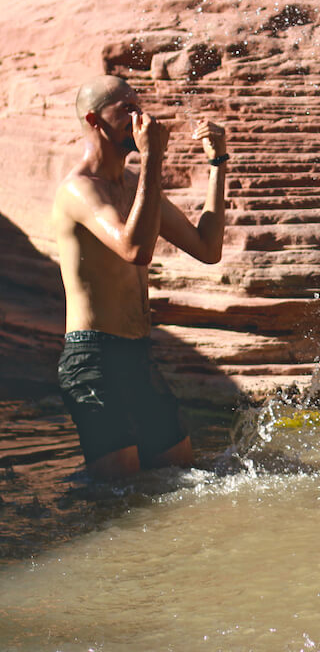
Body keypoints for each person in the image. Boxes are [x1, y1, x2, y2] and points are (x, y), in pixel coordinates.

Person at [53, 75, 229, 480]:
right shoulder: (79, 191)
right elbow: (135, 250)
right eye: (127, 109)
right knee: (119, 497)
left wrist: (217, 163)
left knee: (180, 480)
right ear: (95, 121)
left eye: (139, 105)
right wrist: (153, 157)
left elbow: (207, 248)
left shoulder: (133, 185)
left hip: (138, 354)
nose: (141, 116)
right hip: (91, 359)